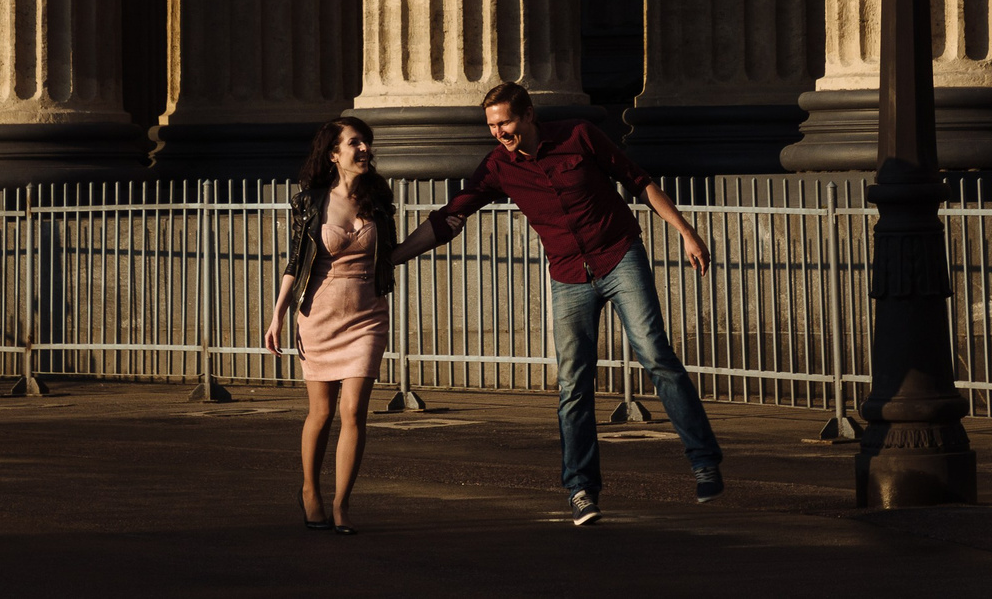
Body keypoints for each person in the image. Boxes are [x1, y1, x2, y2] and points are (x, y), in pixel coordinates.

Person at [387, 82, 721, 527]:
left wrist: (686, 231)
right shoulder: (498, 167)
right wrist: (392, 258)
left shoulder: (578, 136)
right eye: (491, 125)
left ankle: (703, 461)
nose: (498, 132)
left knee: (655, 355)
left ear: (528, 116)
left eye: (504, 122)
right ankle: (581, 489)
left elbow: (637, 181)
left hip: (619, 255)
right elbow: (452, 217)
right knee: (573, 385)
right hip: (568, 274)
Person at [263, 115, 398, 534]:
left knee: (354, 410)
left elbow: (390, 252)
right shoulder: (310, 202)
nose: (364, 149)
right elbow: (295, 262)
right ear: (334, 153)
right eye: (354, 143)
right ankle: (310, 491)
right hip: (319, 315)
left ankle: (342, 505)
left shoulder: (378, 197)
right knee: (321, 413)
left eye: (367, 143)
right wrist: (278, 315)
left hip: (367, 315)